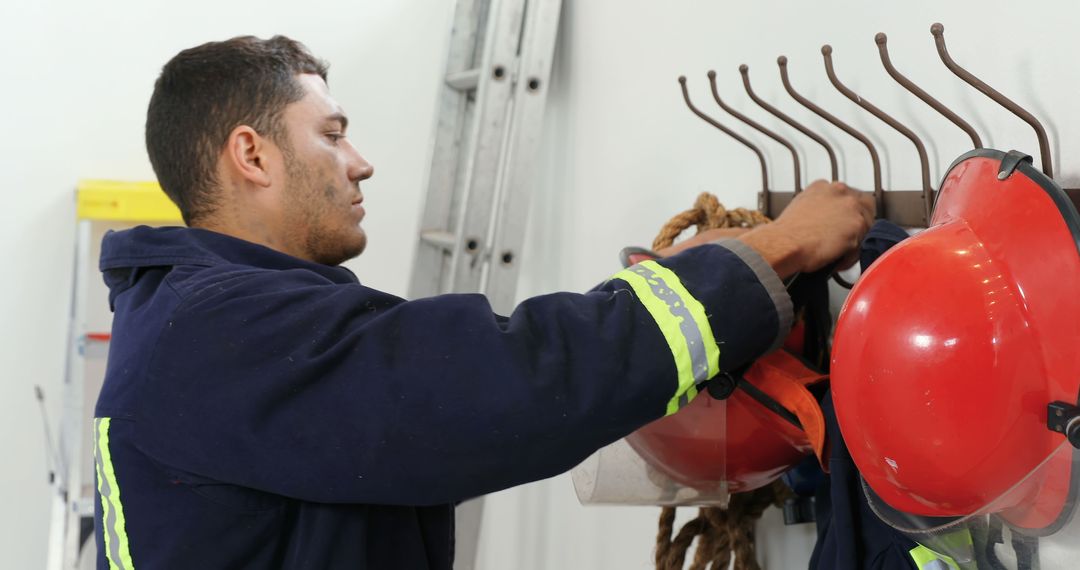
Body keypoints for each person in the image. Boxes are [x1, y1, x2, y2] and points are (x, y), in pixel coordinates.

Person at [92, 35, 873, 569]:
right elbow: (506, 379)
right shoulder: (215, 331)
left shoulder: (194, 319)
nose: (360, 163)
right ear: (251, 155)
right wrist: (772, 251)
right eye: (331, 134)